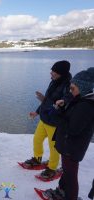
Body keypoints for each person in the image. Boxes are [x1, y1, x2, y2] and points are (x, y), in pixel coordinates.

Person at [44, 67, 94, 200]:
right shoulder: (80, 100)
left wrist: (58, 112)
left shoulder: (86, 105)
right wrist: (62, 108)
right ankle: (61, 192)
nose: (70, 91)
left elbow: (73, 129)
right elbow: (71, 119)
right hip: (69, 146)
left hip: (71, 148)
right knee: (67, 172)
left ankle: (70, 196)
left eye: (73, 88)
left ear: (83, 87)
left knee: (71, 177)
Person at [22, 60, 72, 179]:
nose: (51, 73)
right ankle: (37, 159)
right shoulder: (53, 82)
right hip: (44, 120)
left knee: (54, 147)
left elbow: (62, 106)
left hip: (55, 123)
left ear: (61, 73)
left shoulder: (68, 86)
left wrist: (45, 100)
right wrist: (37, 112)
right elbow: (47, 101)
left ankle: (52, 168)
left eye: (54, 72)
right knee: (37, 140)